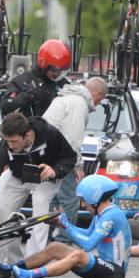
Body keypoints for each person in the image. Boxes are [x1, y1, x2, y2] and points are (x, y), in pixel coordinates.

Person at [0, 175, 131, 278]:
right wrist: (62, 224)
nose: (83, 204)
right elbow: (87, 234)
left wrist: (67, 225)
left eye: (84, 200)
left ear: (95, 197)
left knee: (79, 254)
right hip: (104, 267)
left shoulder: (111, 215)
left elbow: (88, 244)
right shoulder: (102, 213)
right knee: (55, 247)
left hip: (115, 274)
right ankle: (8, 270)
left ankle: (28, 275)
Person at [0, 112, 77, 264]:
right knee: (3, 213)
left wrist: (56, 171)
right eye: (7, 141)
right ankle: (14, 262)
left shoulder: (49, 133)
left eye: (14, 141)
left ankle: (32, 262)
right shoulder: (5, 146)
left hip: (45, 177)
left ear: (28, 135)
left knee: (40, 207)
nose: (10, 145)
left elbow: (70, 157)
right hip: (17, 175)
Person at [43, 77, 108, 234]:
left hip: (46, 153)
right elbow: (72, 140)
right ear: (98, 94)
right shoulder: (79, 104)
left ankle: (46, 235)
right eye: (102, 98)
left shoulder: (65, 98)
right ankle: (65, 239)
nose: (99, 103)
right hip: (60, 156)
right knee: (70, 199)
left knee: (52, 198)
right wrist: (77, 165)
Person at [0, 39, 70, 118]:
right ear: (44, 64)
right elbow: (5, 106)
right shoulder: (22, 81)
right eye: (55, 70)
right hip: (29, 128)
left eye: (61, 71)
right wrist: (28, 96)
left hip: (56, 128)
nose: (57, 74)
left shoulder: (64, 85)